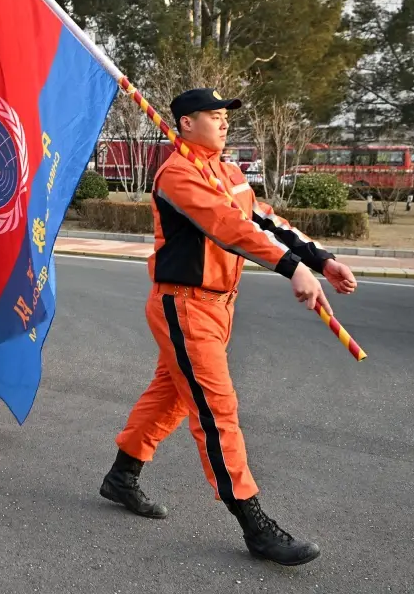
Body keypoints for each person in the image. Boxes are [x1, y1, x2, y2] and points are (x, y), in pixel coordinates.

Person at [99, 88, 358, 567]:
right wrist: (290, 269)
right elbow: (227, 227)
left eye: (224, 116)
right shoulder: (177, 174)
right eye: (212, 116)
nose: (223, 123)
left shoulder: (229, 171)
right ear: (185, 124)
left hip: (220, 305)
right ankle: (254, 523)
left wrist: (321, 259)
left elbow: (264, 221)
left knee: (173, 395)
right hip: (184, 306)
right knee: (216, 409)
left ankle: (122, 476)